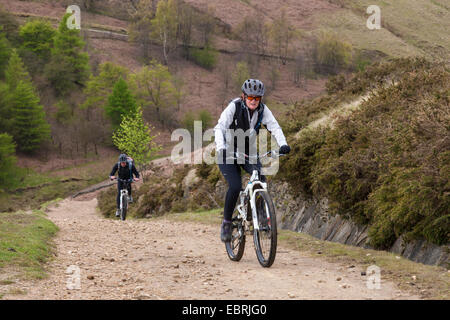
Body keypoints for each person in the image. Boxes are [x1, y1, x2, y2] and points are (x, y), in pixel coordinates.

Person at [214, 79, 290, 242]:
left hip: (247, 151)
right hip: (227, 151)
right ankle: (227, 222)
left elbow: (274, 127)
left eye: (257, 98)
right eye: (250, 98)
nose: (253, 101)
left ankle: (261, 212)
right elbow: (219, 127)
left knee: (260, 178)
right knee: (235, 187)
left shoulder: (263, 110)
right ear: (243, 96)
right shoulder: (234, 106)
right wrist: (221, 148)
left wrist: (283, 144)